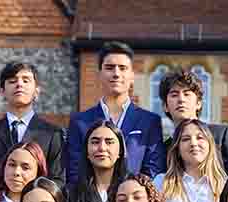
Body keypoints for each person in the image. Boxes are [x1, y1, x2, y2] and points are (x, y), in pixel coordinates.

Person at [65, 41, 164, 185]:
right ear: (99, 74)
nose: (116, 73)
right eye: (110, 68)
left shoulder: (150, 121)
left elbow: (153, 171)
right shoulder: (80, 122)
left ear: (131, 77)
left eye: (122, 68)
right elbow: (74, 172)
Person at [0, 61, 65, 196]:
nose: (19, 84)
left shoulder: (52, 134)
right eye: (12, 81)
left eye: (26, 80)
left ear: (36, 91)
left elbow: (58, 179)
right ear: (2, 91)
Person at [159, 67, 228, 177]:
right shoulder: (164, 149)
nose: (181, 99)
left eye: (187, 94)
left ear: (198, 103)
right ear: (165, 106)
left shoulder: (223, 135)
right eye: (174, 95)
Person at [65, 120, 128, 202]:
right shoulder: (70, 193)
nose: (102, 148)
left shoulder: (132, 190)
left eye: (109, 142)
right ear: (86, 151)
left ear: (120, 152)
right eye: (95, 142)